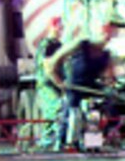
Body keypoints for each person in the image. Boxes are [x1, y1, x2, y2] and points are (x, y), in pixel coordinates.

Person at [48, 21, 118, 149]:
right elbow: (52, 62)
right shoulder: (81, 44)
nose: (106, 36)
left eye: (109, 34)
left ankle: (93, 143)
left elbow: (110, 76)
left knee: (97, 111)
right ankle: (62, 143)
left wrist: (110, 86)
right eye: (104, 32)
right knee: (71, 112)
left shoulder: (106, 55)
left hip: (91, 87)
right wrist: (58, 81)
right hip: (74, 86)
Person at [34, 17, 65, 149]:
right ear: (53, 26)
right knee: (55, 109)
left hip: (53, 84)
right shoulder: (50, 45)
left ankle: (57, 141)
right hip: (48, 85)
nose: (61, 29)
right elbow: (48, 69)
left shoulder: (54, 44)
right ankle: (47, 142)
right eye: (60, 26)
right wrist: (60, 84)